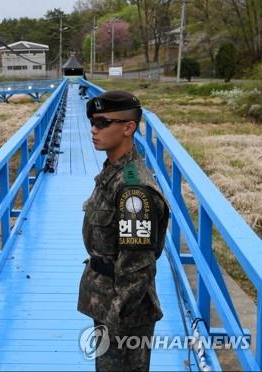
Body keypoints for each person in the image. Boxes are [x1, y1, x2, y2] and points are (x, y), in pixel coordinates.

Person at [77, 91, 169, 371]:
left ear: (128, 128)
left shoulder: (133, 191)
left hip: (123, 311)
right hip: (106, 299)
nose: (94, 129)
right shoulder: (114, 172)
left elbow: (137, 268)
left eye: (103, 123)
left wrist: (116, 321)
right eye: (92, 122)